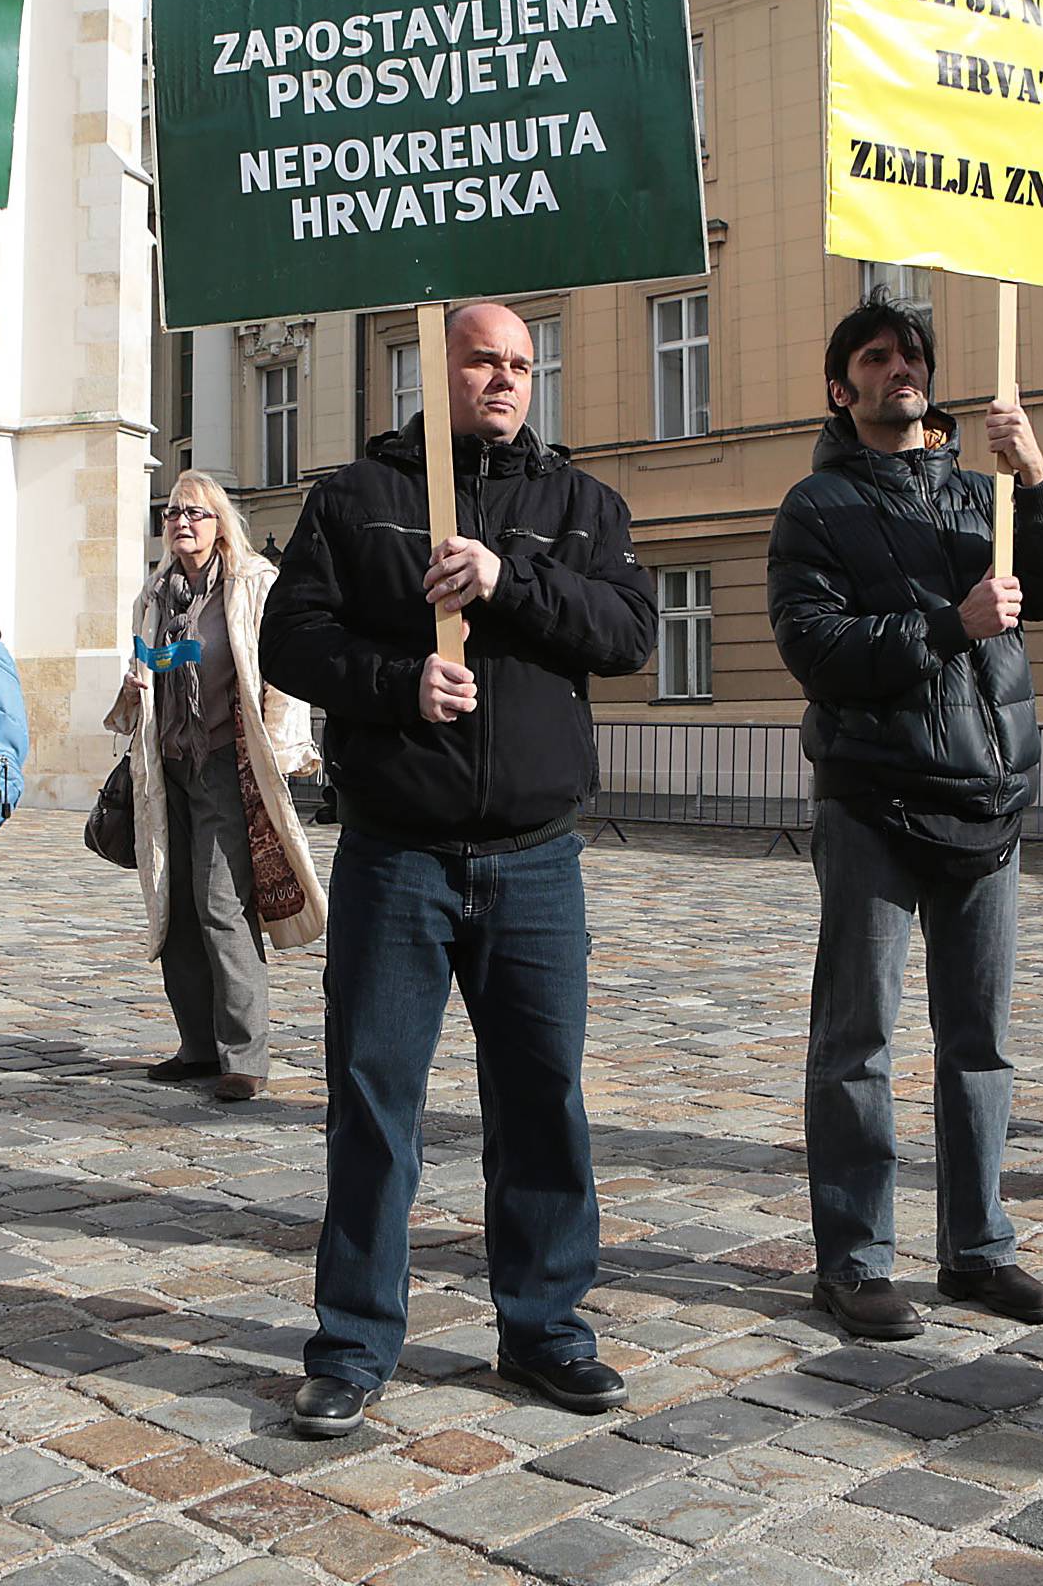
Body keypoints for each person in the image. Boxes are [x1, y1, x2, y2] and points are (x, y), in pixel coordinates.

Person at [259, 301, 657, 1436]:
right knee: (375, 1101)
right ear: (437, 367)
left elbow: (628, 633)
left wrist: (504, 581)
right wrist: (395, 683)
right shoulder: (355, 496)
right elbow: (290, 637)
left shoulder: (581, 504)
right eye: (485, 358)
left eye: (525, 363)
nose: (508, 377)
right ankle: (352, 1341)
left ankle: (544, 1326)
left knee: (542, 1100)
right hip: (399, 855)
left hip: (535, 860)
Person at [767, 295, 1043, 1341]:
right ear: (841, 386)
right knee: (858, 1040)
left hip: (988, 798)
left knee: (980, 1041)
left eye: (911, 353)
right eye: (876, 355)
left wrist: (1035, 475)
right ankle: (854, 1258)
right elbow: (817, 647)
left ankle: (979, 1248)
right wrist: (950, 623)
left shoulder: (981, 494)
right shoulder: (814, 506)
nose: (899, 366)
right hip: (874, 798)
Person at [106, 472, 325, 1101]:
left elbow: (280, 674)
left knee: (221, 905)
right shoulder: (155, 595)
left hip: (230, 763)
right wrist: (131, 690)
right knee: (173, 907)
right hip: (166, 763)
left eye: (195, 514)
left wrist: (284, 756)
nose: (182, 523)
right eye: (173, 513)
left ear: (220, 521)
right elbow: (139, 680)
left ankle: (244, 1057)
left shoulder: (253, 585)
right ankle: (197, 1047)